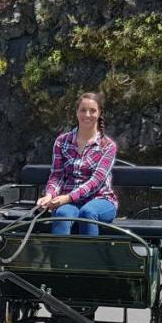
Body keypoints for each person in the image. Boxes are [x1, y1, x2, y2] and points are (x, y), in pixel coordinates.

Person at [35, 92, 118, 235]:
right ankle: (59, 256)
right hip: (69, 202)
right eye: (83, 110)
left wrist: (68, 197)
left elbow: (96, 181)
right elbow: (57, 175)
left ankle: (89, 256)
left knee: (88, 213)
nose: (87, 115)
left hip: (100, 199)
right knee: (62, 214)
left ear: (99, 113)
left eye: (92, 111)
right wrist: (49, 195)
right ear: (76, 112)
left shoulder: (108, 146)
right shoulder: (62, 141)